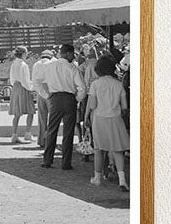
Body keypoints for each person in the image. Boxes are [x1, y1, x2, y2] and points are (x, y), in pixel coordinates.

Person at [86, 56, 130, 192]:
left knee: (99, 150)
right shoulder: (118, 84)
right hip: (116, 119)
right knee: (118, 150)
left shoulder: (95, 84)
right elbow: (124, 106)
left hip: (100, 119)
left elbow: (92, 105)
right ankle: (122, 180)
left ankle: (97, 178)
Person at [41, 43, 86, 170]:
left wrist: (46, 95)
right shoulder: (72, 68)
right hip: (69, 99)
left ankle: (47, 160)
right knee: (68, 132)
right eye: (73, 54)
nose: (74, 57)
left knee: (52, 129)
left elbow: (41, 82)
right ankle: (66, 163)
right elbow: (82, 88)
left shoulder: (49, 66)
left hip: (54, 98)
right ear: (68, 53)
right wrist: (76, 99)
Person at [8, 46, 34, 144]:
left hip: (15, 87)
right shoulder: (23, 65)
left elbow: (11, 78)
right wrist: (31, 88)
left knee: (17, 113)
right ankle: (28, 133)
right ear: (23, 54)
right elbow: (25, 80)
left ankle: (14, 134)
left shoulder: (14, 64)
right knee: (30, 111)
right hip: (23, 88)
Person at [30, 49, 54, 148]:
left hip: (40, 90)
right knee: (52, 118)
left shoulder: (36, 64)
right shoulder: (52, 63)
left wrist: (41, 92)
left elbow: (34, 80)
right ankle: (49, 140)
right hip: (51, 89)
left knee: (41, 117)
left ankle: (41, 140)